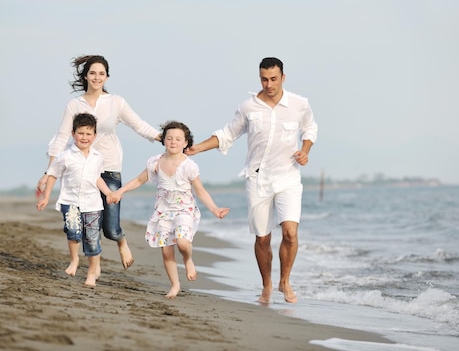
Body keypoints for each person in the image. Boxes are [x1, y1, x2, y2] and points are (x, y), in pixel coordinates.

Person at [186, 57, 318, 304]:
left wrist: (305, 150)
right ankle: (267, 285)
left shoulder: (300, 104)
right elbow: (228, 134)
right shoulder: (249, 106)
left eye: (273, 79)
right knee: (262, 237)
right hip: (258, 179)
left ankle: (284, 281)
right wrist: (197, 149)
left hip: (288, 176)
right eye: (264, 79)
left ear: (283, 78)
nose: (269, 84)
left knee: (290, 232)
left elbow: (310, 129)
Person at [37, 55, 161, 270]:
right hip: (80, 169)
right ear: (85, 76)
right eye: (92, 73)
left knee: (110, 229)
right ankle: (90, 265)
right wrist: (49, 171)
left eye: (101, 73)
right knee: (84, 223)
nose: (97, 77)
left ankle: (120, 240)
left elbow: (139, 125)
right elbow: (61, 137)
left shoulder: (116, 102)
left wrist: (164, 138)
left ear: (107, 76)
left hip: (109, 169)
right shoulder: (74, 105)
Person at [107, 121, 230, 299]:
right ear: (164, 140)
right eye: (169, 138)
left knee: (182, 242)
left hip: (184, 210)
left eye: (178, 139)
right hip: (163, 210)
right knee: (166, 250)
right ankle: (175, 284)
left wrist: (215, 209)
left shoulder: (189, 166)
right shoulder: (155, 162)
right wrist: (120, 191)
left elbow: (200, 191)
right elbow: (139, 180)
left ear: (186, 143)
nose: (173, 142)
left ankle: (188, 260)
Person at [36, 113, 114, 287]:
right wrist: (46, 197)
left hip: (93, 204)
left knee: (92, 238)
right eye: (80, 133)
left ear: (94, 136)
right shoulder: (65, 156)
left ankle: (92, 272)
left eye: (88, 134)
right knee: (73, 231)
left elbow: (98, 178)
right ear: (73, 134)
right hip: (69, 201)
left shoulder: (97, 157)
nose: (84, 137)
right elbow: (52, 174)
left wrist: (108, 193)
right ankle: (74, 260)